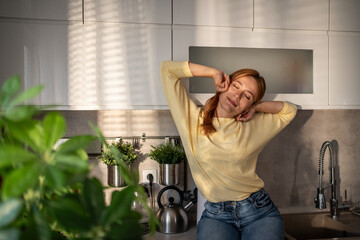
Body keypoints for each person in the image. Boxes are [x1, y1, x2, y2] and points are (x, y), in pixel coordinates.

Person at [160, 61, 297, 240]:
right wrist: (214, 73)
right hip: (216, 215)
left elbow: (289, 111)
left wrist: (256, 108)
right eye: (235, 86)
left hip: (258, 211)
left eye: (247, 96)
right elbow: (168, 71)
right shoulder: (192, 119)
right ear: (225, 84)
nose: (237, 96)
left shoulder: (255, 125)